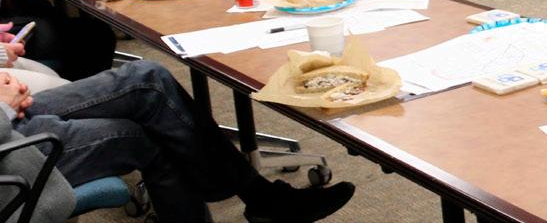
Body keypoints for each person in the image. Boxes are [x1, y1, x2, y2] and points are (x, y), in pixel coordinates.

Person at [12, 60, 354, 222]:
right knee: (154, 137)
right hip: (10, 145)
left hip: (9, 118)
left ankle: (261, 197)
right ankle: (262, 198)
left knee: (150, 79)